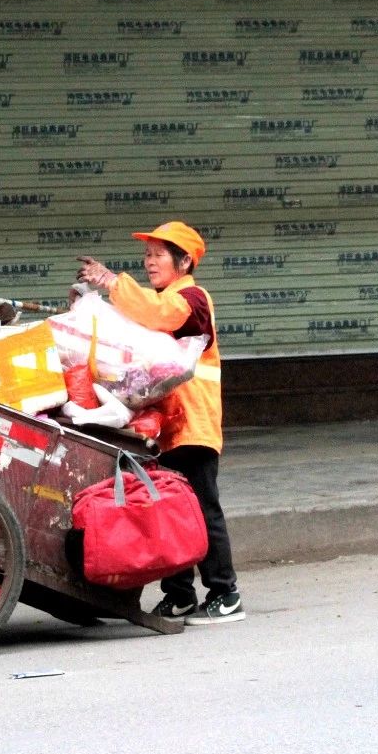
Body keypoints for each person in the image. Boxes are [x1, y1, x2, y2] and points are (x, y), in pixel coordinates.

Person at [77, 220, 245, 625]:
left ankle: (225, 593)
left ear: (184, 261)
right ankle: (180, 594)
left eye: (157, 255)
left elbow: (158, 314)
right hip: (165, 426)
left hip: (193, 423)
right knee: (168, 509)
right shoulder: (161, 297)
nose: (149, 262)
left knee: (203, 508)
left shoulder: (191, 298)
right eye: (146, 256)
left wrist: (111, 282)